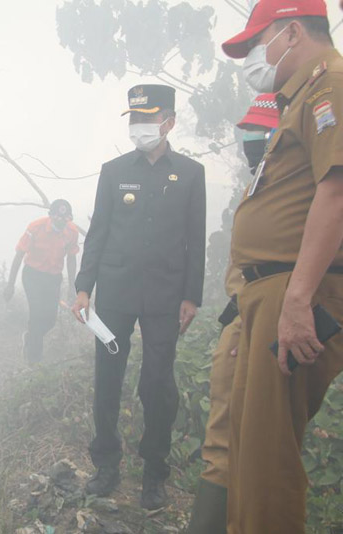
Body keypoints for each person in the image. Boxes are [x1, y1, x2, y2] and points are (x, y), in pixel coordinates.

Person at [221, 1, 343, 532]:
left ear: (293, 31)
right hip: (269, 292)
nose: (252, 57)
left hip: (295, 292)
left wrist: (297, 300)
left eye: (257, 42)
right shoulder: (301, 97)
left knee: (268, 460)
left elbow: (337, 193)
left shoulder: (331, 85)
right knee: (249, 452)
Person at [72, 84, 206, 510]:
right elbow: (98, 233)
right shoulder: (113, 171)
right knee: (107, 380)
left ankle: (154, 473)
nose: (139, 126)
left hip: (166, 296)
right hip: (115, 294)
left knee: (157, 383)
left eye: (148, 118)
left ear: (169, 121)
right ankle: (107, 464)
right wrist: (82, 287)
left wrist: (192, 296)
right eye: (134, 118)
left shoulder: (189, 173)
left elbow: (195, 240)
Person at [186, 93, 279, 534]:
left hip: (269, 321)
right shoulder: (258, 180)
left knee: (256, 442)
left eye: (264, 131)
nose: (253, 139)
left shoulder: (302, 191)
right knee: (221, 439)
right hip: (242, 314)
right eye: (249, 131)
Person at [5, 199, 80, 363]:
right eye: (58, 218)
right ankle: (34, 361)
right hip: (33, 275)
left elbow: (72, 258)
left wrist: (72, 287)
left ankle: (30, 338)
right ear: (51, 216)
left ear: (69, 218)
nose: (62, 222)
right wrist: (10, 284)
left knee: (50, 319)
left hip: (53, 278)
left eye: (66, 219)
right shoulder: (35, 227)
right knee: (37, 314)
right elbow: (19, 255)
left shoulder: (72, 231)